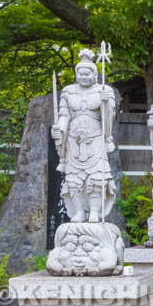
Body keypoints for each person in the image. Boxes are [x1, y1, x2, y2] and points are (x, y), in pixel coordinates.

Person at [51, 48, 116, 222]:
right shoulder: (68, 91)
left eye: (88, 73)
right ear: (76, 74)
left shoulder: (104, 90)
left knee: (97, 179)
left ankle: (95, 211)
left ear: (94, 74)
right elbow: (64, 115)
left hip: (95, 140)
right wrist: (59, 129)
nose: (84, 76)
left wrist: (106, 103)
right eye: (81, 73)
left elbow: (108, 118)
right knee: (74, 180)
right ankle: (79, 211)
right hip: (73, 140)